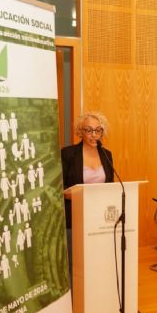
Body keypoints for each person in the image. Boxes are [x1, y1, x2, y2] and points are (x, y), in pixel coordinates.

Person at [61, 112, 114, 285]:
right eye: (89, 130)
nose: (94, 135)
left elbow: (110, 185)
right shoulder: (68, 154)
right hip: (74, 216)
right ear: (80, 131)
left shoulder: (106, 154)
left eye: (98, 130)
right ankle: (73, 299)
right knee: (74, 262)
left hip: (99, 217)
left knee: (95, 260)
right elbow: (59, 189)